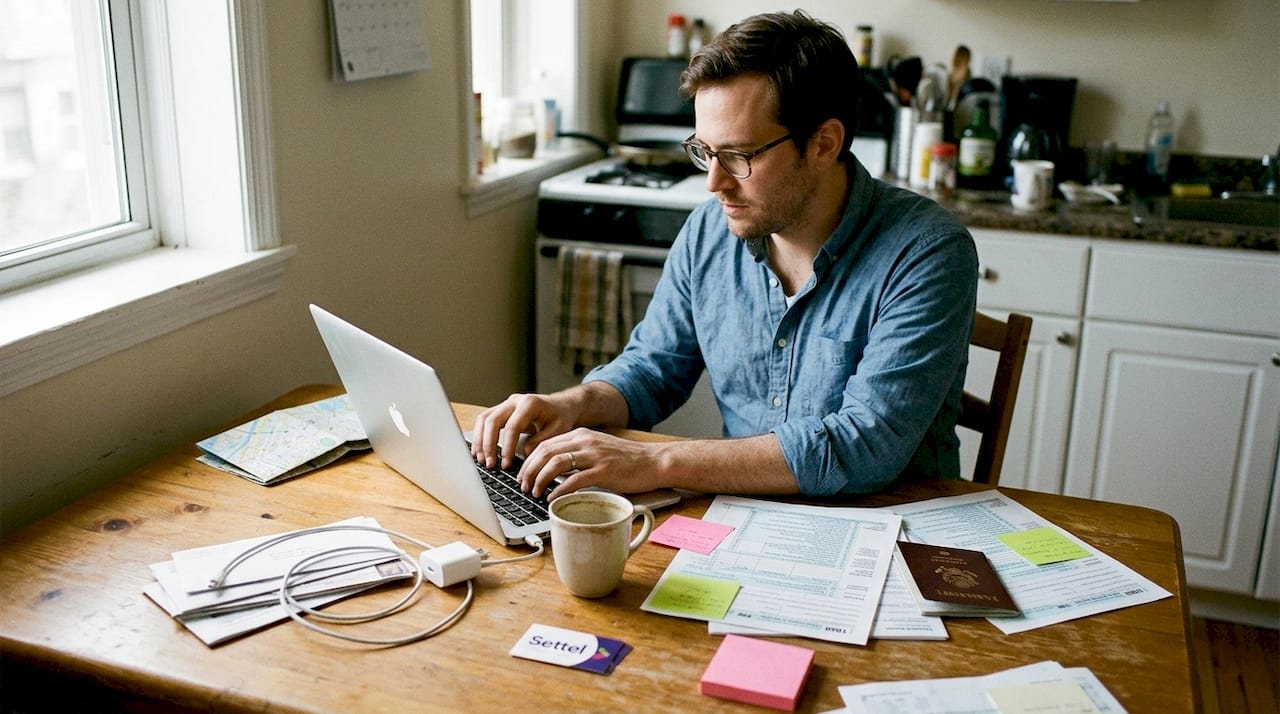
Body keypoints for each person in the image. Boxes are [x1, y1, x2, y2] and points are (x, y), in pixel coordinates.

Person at [472, 10, 977, 501]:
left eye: (738, 156)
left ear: (824, 144)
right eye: (704, 151)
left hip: (893, 533)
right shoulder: (709, 232)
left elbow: (864, 446)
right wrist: (572, 403)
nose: (713, 182)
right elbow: (653, 370)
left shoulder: (928, 252)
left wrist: (655, 463)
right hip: (745, 519)